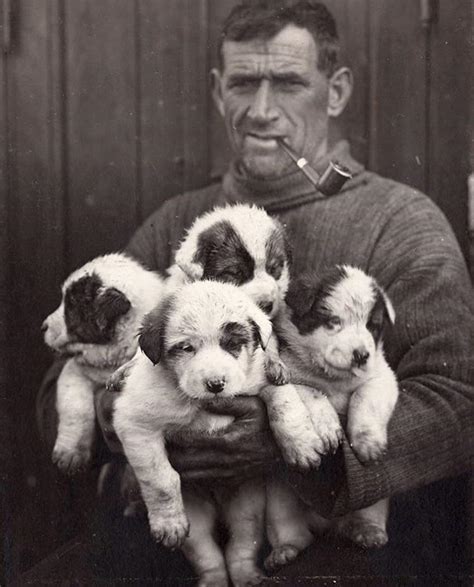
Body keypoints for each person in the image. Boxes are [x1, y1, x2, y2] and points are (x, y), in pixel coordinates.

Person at [35, 0, 473, 583]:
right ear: (220, 92)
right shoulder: (179, 224)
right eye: (244, 83)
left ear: (336, 91)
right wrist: (137, 420)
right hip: (176, 541)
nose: (261, 111)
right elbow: (59, 389)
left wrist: (286, 443)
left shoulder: (400, 221)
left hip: (338, 544)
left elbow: (459, 400)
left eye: (289, 83)